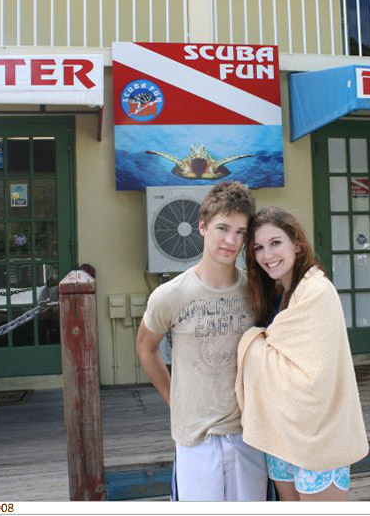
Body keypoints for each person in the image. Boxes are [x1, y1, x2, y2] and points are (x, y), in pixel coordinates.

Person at [136, 181, 268, 501]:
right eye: (222, 227)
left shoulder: (257, 289)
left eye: (240, 231)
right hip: (196, 438)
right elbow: (145, 346)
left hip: (249, 435)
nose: (230, 240)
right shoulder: (171, 295)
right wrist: (173, 398)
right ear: (202, 226)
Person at [236, 207, 369, 501]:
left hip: (318, 435)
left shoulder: (316, 292)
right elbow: (276, 355)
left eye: (275, 243)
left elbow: (314, 378)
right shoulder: (278, 294)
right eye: (258, 247)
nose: (267, 254)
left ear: (296, 243)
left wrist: (253, 344)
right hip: (283, 433)